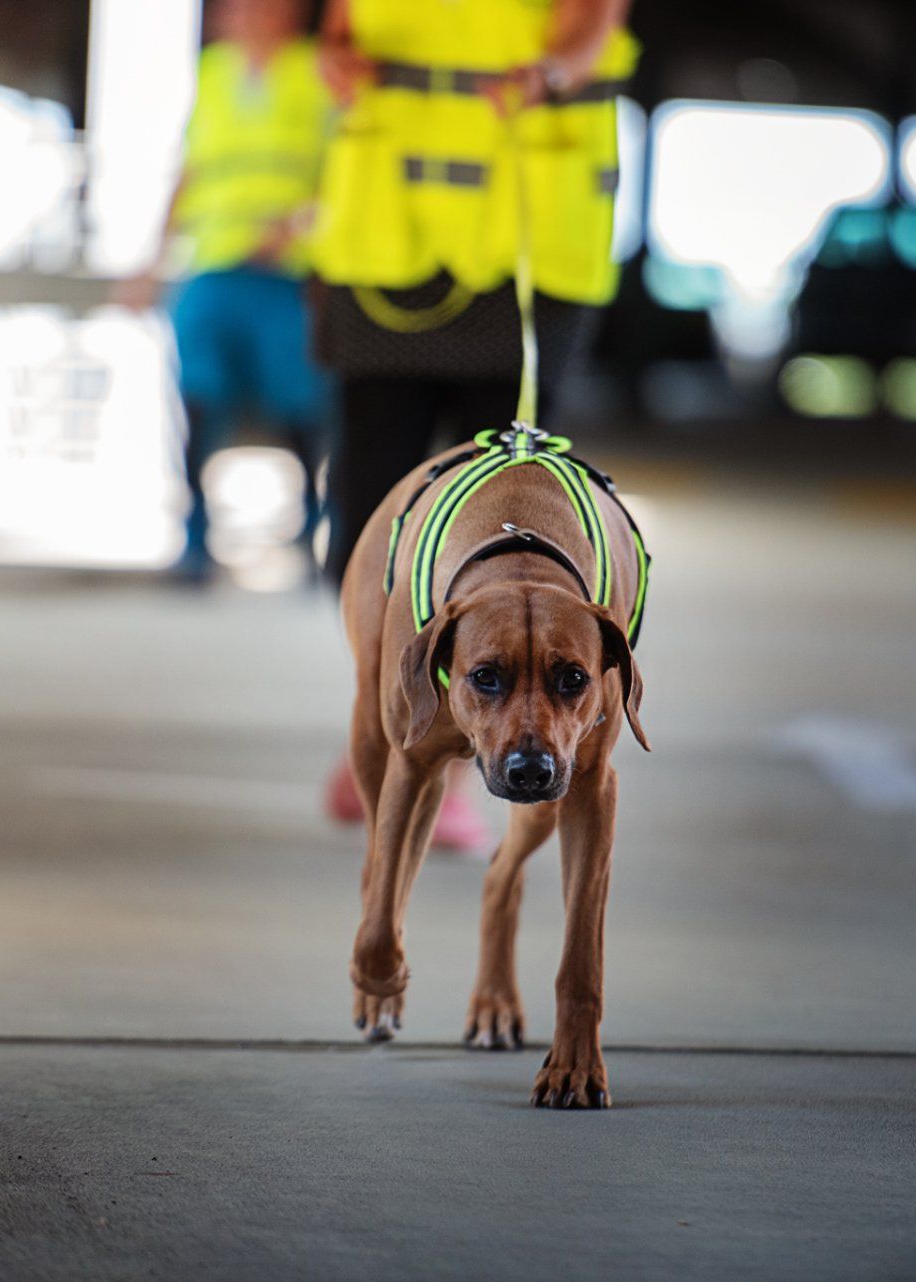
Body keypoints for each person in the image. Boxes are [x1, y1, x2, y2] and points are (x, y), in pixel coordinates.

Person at [311, 0, 638, 850]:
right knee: (366, 521)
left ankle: (451, 761)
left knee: (503, 526)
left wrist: (553, 74)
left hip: (527, 232)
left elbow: (597, 27)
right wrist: (331, 58)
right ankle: (380, 722)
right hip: (389, 237)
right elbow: (337, 30)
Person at [117, 0, 333, 585]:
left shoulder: (316, 71)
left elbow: (342, 167)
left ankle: (312, 525)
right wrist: (152, 261)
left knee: (301, 401)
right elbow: (189, 171)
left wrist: (299, 226)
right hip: (213, 261)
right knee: (196, 393)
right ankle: (195, 534)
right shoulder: (212, 74)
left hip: (288, 269)